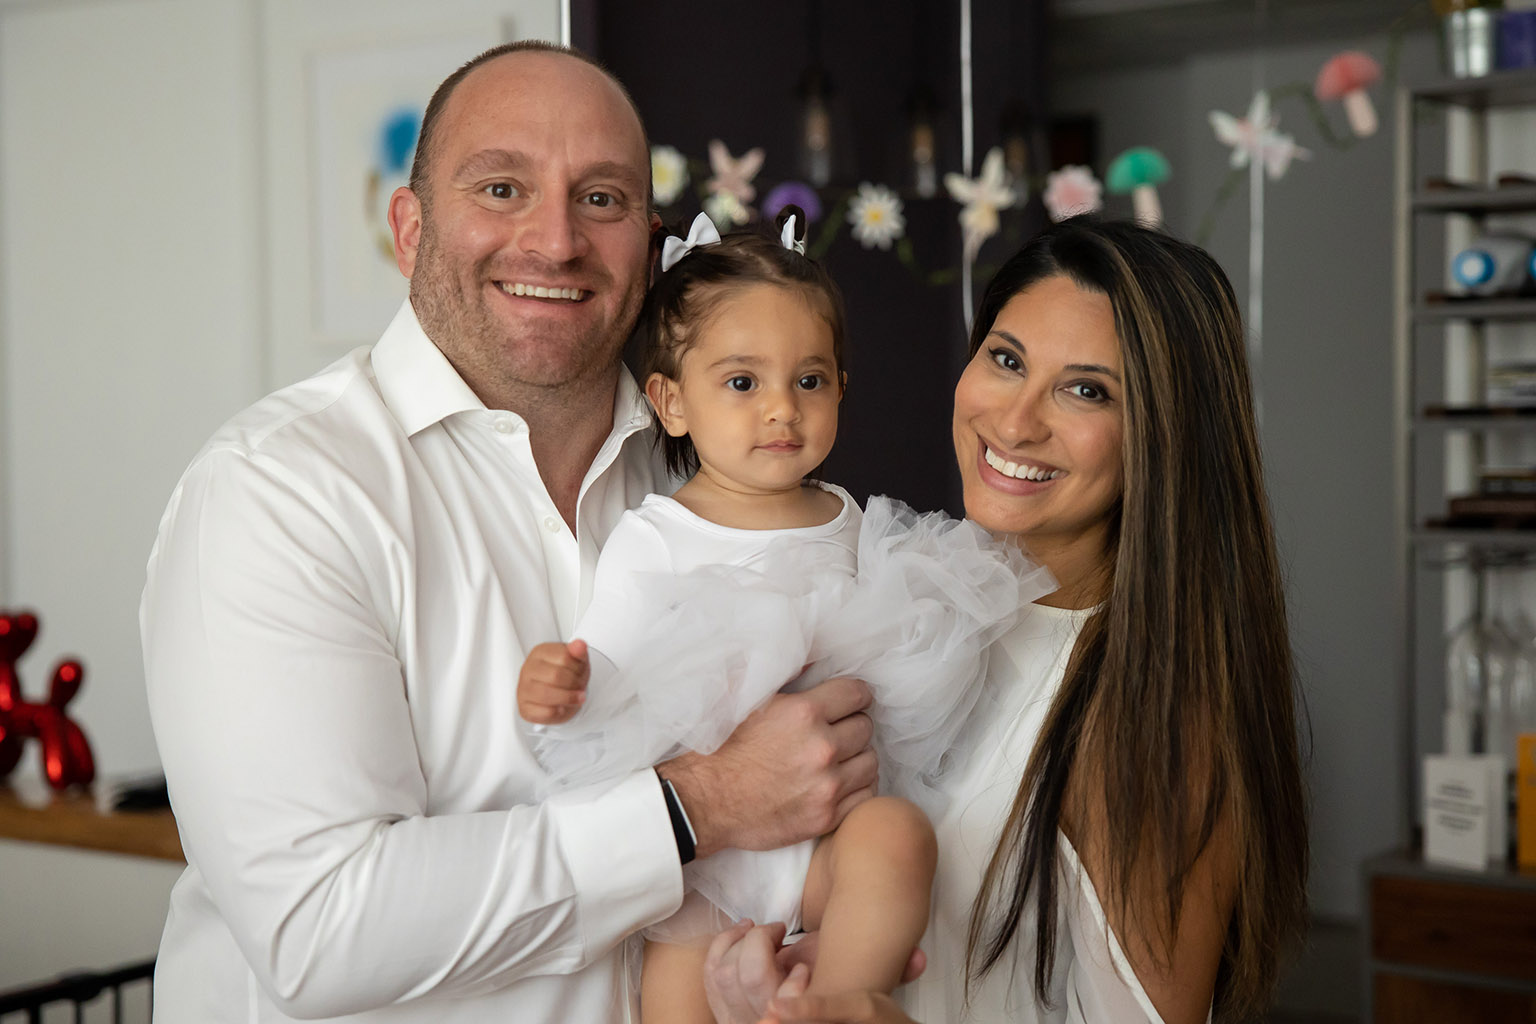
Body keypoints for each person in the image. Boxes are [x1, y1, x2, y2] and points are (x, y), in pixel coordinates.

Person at [139, 41, 882, 1024]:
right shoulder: (281, 490)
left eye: (602, 198)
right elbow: (318, 929)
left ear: (648, 240)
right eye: (501, 188)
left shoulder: (719, 470)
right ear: (409, 230)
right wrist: (699, 805)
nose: (556, 241)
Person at [704, 217, 1309, 1024]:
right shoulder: (906, 610)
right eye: (1008, 360)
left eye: (1087, 390)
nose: (1017, 422)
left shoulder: (1155, 719)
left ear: (1165, 435)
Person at [514, 210, 1052, 1023]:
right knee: (672, 999)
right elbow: (610, 670)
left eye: (809, 381)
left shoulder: (848, 518)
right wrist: (562, 685)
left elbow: (889, 655)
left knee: (900, 839)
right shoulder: (657, 535)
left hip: (831, 834)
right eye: (743, 383)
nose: (781, 410)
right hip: (706, 864)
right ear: (671, 401)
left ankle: (841, 1002)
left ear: (842, 388)